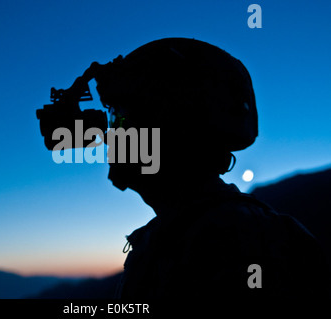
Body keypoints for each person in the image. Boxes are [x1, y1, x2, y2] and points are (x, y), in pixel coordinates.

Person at [89, 38, 330, 300]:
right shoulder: (183, 232)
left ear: (174, 125)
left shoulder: (237, 242)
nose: (111, 135)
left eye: (123, 119)